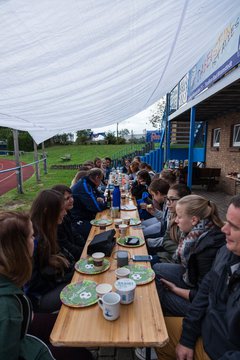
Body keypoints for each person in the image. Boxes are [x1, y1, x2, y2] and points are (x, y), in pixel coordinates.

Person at [155, 194, 240, 360]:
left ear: (194, 219)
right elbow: (206, 290)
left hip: (219, 349)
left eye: (234, 226)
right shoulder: (227, 252)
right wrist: (187, 337)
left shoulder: (210, 246)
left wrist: (175, 290)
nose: (224, 229)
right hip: (208, 324)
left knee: (158, 328)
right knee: (156, 330)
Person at [153, 194, 225, 316]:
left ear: (194, 220)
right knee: (156, 269)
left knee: (159, 293)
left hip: (205, 309)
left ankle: (161, 320)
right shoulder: (199, 232)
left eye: (179, 217)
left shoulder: (207, 248)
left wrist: (175, 289)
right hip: (192, 279)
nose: (176, 220)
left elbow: (204, 295)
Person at [0, 211, 55, 360]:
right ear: (18, 247)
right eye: (31, 236)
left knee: (60, 325)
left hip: (25, 325)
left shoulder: (10, 273)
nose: (35, 239)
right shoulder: (8, 309)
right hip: (26, 347)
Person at [25, 189, 75, 313]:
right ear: (48, 211)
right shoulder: (34, 239)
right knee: (81, 287)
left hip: (50, 286)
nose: (65, 213)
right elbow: (32, 284)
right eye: (61, 210)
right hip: (38, 298)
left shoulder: (48, 230)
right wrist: (60, 274)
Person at [147, 184, 191, 263]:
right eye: (167, 199)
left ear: (183, 200)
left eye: (172, 199)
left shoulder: (187, 222)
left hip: (174, 259)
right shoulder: (173, 214)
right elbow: (166, 238)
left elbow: (183, 253)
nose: (167, 203)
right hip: (168, 253)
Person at [71, 168, 107, 239]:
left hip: (87, 215)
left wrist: (101, 200)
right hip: (78, 220)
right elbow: (97, 207)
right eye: (101, 180)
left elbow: (100, 195)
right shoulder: (84, 185)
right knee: (102, 230)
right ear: (97, 178)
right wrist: (107, 204)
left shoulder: (88, 182)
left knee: (105, 225)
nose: (100, 182)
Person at [52, 185, 85, 260]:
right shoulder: (57, 224)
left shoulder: (66, 214)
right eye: (67, 198)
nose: (72, 200)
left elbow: (75, 235)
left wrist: (85, 246)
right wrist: (85, 252)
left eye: (71, 197)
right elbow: (67, 247)